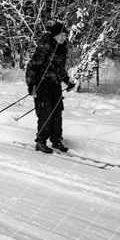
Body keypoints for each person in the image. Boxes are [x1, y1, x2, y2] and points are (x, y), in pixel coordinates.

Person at [25, 21, 75, 153]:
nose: (63, 37)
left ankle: (56, 140)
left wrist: (67, 81)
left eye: (65, 35)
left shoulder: (62, 48)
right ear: (54, 35)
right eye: (61, 35)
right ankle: (40, 142)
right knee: (45, 114)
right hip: (42, 86)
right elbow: (32, 67)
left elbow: (60, 69)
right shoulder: (45, 47)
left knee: (57, 114)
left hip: (55, 86)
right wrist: (31, 85)